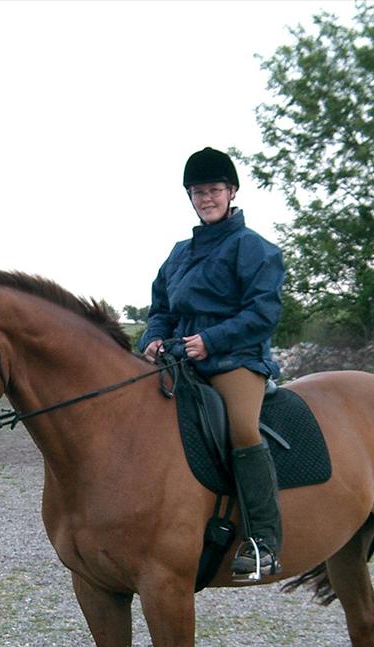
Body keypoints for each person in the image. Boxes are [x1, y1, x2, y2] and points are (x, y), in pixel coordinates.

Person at [140, 146, 285, 581]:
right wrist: (152, 339)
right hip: (181, 359)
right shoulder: (179, 254)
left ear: (232, 192)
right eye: (198, 192)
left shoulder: (255, 249)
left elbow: (263, 313)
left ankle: (263, 542)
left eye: (214, 190)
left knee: (241, 429)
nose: (206, 198)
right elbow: (160, 308)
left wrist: (211, 341)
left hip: (236, 360)